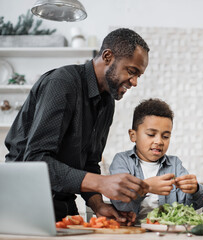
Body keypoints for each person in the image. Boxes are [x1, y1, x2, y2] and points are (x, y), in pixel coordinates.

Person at [5, 28, 150, 224]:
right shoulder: (62, 83)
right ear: (107, 56)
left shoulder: (107, 102)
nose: (134, 82)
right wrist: (101, 183)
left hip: (64, 204)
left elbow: (89, 163)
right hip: (24, 203)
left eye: (138, 76)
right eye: (131, 71)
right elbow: (36, 160)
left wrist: (99, 205)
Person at [109, 98, 203, 222]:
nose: (159, 141)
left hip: (166, 232)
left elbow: (191, 206)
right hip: (133, 230)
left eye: (165, 136)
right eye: (151, 134)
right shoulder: (122, 161)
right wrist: (145, 187)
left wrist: (195, 190)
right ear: (133, 135)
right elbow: (120, 203)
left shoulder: (175, 164)